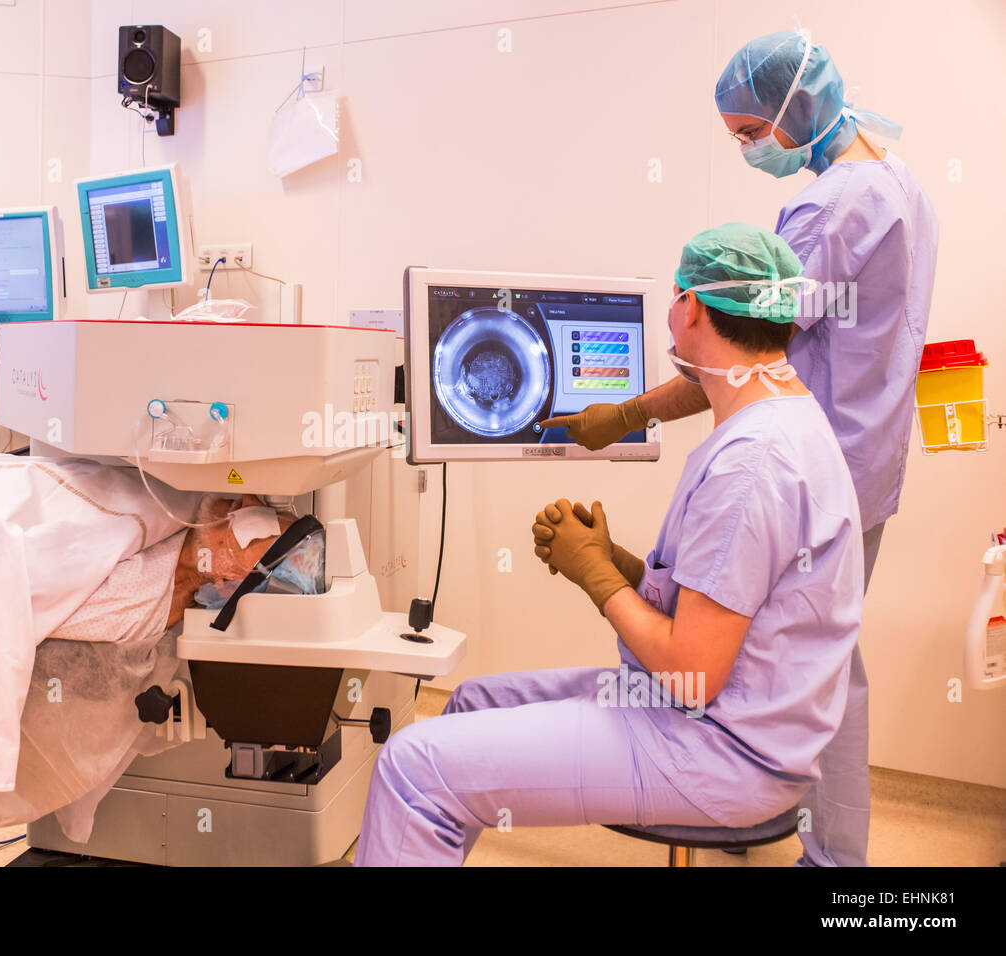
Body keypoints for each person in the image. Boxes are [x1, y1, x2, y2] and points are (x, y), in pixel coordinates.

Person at [543, 29, 938, 867]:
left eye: (750, 134)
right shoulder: (900, 183)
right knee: (822, 662)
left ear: (793, 109)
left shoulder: (832, 207)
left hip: (805, 464)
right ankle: (796, 830)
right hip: (860, 464)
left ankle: (811, 847)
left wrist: (626, 415)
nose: (748, 149)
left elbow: (746, 348)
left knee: (797, 673)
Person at [353, 224, 864, 866]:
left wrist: (595, 576)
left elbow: (694, 673)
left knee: (410, 764)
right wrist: (617, 557)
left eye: (677, 299)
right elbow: (726, 601)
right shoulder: (786, 418)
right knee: (470, 703)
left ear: (695, 308)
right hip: (731, 722)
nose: (672, 315)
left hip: (718, 753)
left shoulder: (751, 465)